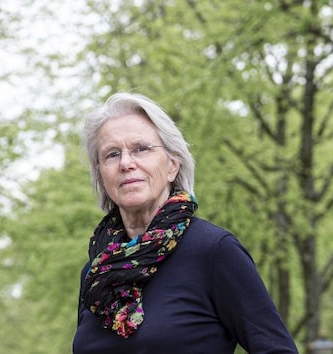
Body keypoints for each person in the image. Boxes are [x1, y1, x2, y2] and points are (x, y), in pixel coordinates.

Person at [72, 92, 297, 353]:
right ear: (101, 174)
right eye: (111, 154)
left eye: (141, 149)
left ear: (172, 166)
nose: (126, 163)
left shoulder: (214, 251)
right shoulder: (97, 270)